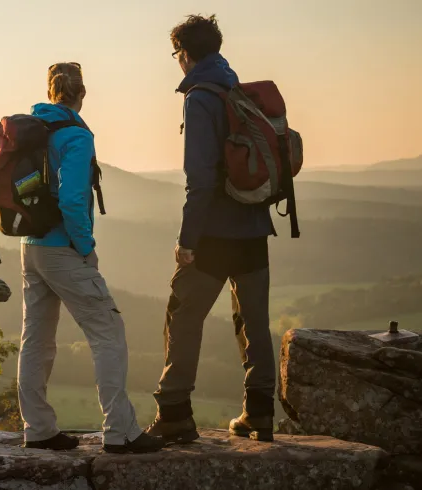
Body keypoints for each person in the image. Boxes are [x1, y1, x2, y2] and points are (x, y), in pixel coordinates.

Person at [17, 62, 164, 454]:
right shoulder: (75, 136)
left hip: (30, 246)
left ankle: (39, 429)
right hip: (62, 249)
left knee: (36, 339)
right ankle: (120, 431)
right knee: (108, 333)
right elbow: (72, 198)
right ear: (82, 94)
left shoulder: (31, 129)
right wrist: (86, 247)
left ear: (50, 93)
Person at [146, 15, 278, 443]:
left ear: (184, 53)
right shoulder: (235, 88)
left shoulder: (200, 97)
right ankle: (259, 413)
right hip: (255, 224)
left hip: (215, 232)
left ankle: (175, 414)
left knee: (182, 317)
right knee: (254, 321)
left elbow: (199, 178)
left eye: (176, 54)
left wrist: (187, 241)